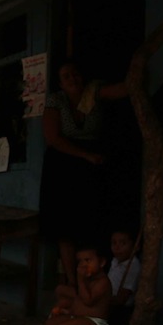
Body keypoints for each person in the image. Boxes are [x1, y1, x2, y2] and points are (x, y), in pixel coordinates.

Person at [39, 60, 127, 286]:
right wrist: (85, 156)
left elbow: (123, 90)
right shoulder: (55, 100)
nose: (72, 79)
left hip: (93, 166)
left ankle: (94, 279)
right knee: (65, 227)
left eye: (75, 73)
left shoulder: (93, 92)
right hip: (63, 166)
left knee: (91, 222)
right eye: (66, 76)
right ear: (60, 82)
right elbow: (53, 138)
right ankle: (73, 281)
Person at [22, 228, 141, 325]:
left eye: (123, 243)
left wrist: (97, 295)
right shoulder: (115, 261)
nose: (117, 247)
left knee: (70, 303)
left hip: (113, 308)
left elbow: (121, 299)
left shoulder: (133, 266)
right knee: (61, 292)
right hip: (99, 297)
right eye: (114, 243)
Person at [27, 243, 112, 325]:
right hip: (79, 316)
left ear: (102, 262)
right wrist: (66, 310)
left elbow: (88, 301)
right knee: (50, 323)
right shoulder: (87, 280)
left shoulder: (103, 282)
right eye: (80, 261)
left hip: (94, 321)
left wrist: (80, 279)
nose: (83, 265)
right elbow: (78, 301)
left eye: (88, 260)